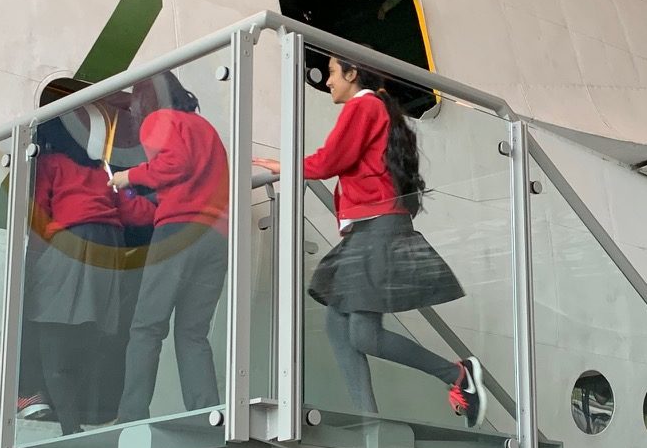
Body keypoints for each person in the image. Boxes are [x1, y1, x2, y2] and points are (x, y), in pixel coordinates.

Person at [253, 55, 483, 424]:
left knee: (363, 335)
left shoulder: (363, 106)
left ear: (352, 73)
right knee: (337, 325)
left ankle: (456, 375)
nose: (327, 81)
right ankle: (368, 422)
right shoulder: (376, 108)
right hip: (369, 229)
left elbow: (329, 161)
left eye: (332, 73)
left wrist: (286, 166)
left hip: (376, 229)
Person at [23, 91, 147, 432]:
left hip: (73, 244)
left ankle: (58, 419)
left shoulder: (51, 163)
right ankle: (71, 416)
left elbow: (37, 213)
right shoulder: (103, 171)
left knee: (45, 326)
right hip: (111, 250)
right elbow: (134, 210)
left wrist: (35, 259)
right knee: (88, 338)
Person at [111, 70, 229, 421]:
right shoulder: (205, 128)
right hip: (217, 236)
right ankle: (205, 415)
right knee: (193, 333)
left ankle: (131, 416)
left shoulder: (158, 120)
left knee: (146, 327)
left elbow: (174, 164)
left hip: (178, 233)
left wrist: (127, 176)